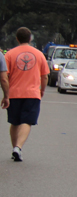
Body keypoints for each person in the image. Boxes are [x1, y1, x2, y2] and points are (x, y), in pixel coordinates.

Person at [5, 27, 49, 161]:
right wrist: (42, 90)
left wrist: (6, 94)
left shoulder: (10, 54)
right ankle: (18, 148)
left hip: (14, 93)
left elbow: (5, 75)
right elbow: (45, 76)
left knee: (14, 122)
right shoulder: (39, 54)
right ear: (30, 39)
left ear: (17, 38)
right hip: (32, 93)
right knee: (27, 121)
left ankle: (15, 148)